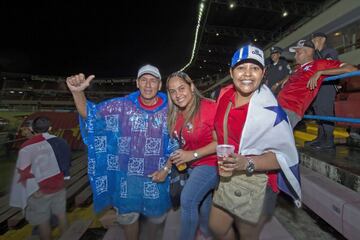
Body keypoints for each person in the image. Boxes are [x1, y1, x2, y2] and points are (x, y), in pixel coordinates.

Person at [66, 64, 176, 240]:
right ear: (137, 83)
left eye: (153, 81)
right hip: (127, 177)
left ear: (160, 84)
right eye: (144, 80)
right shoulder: (122, 105)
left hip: (158, 174)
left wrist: (167, 168)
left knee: (157, 219)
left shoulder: (173, 108)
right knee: (128, 218)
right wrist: (77, 92)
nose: (148, 85)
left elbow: (180, 143)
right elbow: (91, 115)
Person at [209, 44, 300, 240]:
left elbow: (284, 157)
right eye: (241, 68)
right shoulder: (225, 95)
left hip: (257, 180)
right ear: (231, 72)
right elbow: (219, 131)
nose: (247, 74)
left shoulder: (271, 111)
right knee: (216, 227)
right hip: (227, 173)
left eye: (255, 68)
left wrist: (247, 162)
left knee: (247, 235)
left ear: (263, 73)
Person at [166, 71, 218, 240]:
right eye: (173, 91)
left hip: (212, 163)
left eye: (181, 88)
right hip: (192, 167)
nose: (177, 94)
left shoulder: (209, 107)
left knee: (188, 200)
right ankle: (208, 235)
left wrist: (191, 154)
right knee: (203, 204)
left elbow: (221, 144)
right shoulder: (176, 115)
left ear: (192, 87)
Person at [9, 117, 71, 240]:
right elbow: (66, 164)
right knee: (61, 216)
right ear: (50, 128)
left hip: (39, 189)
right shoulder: (62, 142)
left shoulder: (27, 146)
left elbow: (23, 172)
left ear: (32, 129)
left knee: (43, 222)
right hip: (58, 185)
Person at [277, 39, 357, 129]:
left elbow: (351, 69)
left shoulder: (319, 64)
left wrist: (321, 72)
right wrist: (287, 77)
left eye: (298, 53)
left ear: (308, 52)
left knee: (273, 138)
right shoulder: (298, 68)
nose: (295, 56)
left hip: (290, 109)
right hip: (278, 105)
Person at [305, 32, 340, 149]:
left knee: (326, 111)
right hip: (316, 87)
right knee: (318, 112)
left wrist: (319, 71)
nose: (312, 42)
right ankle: (320, 138)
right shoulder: (315, 55)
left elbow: (331, 66)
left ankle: (329, 140)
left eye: (314, 39)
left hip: (327, 86)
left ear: (322, 39)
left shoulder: (330, 51)